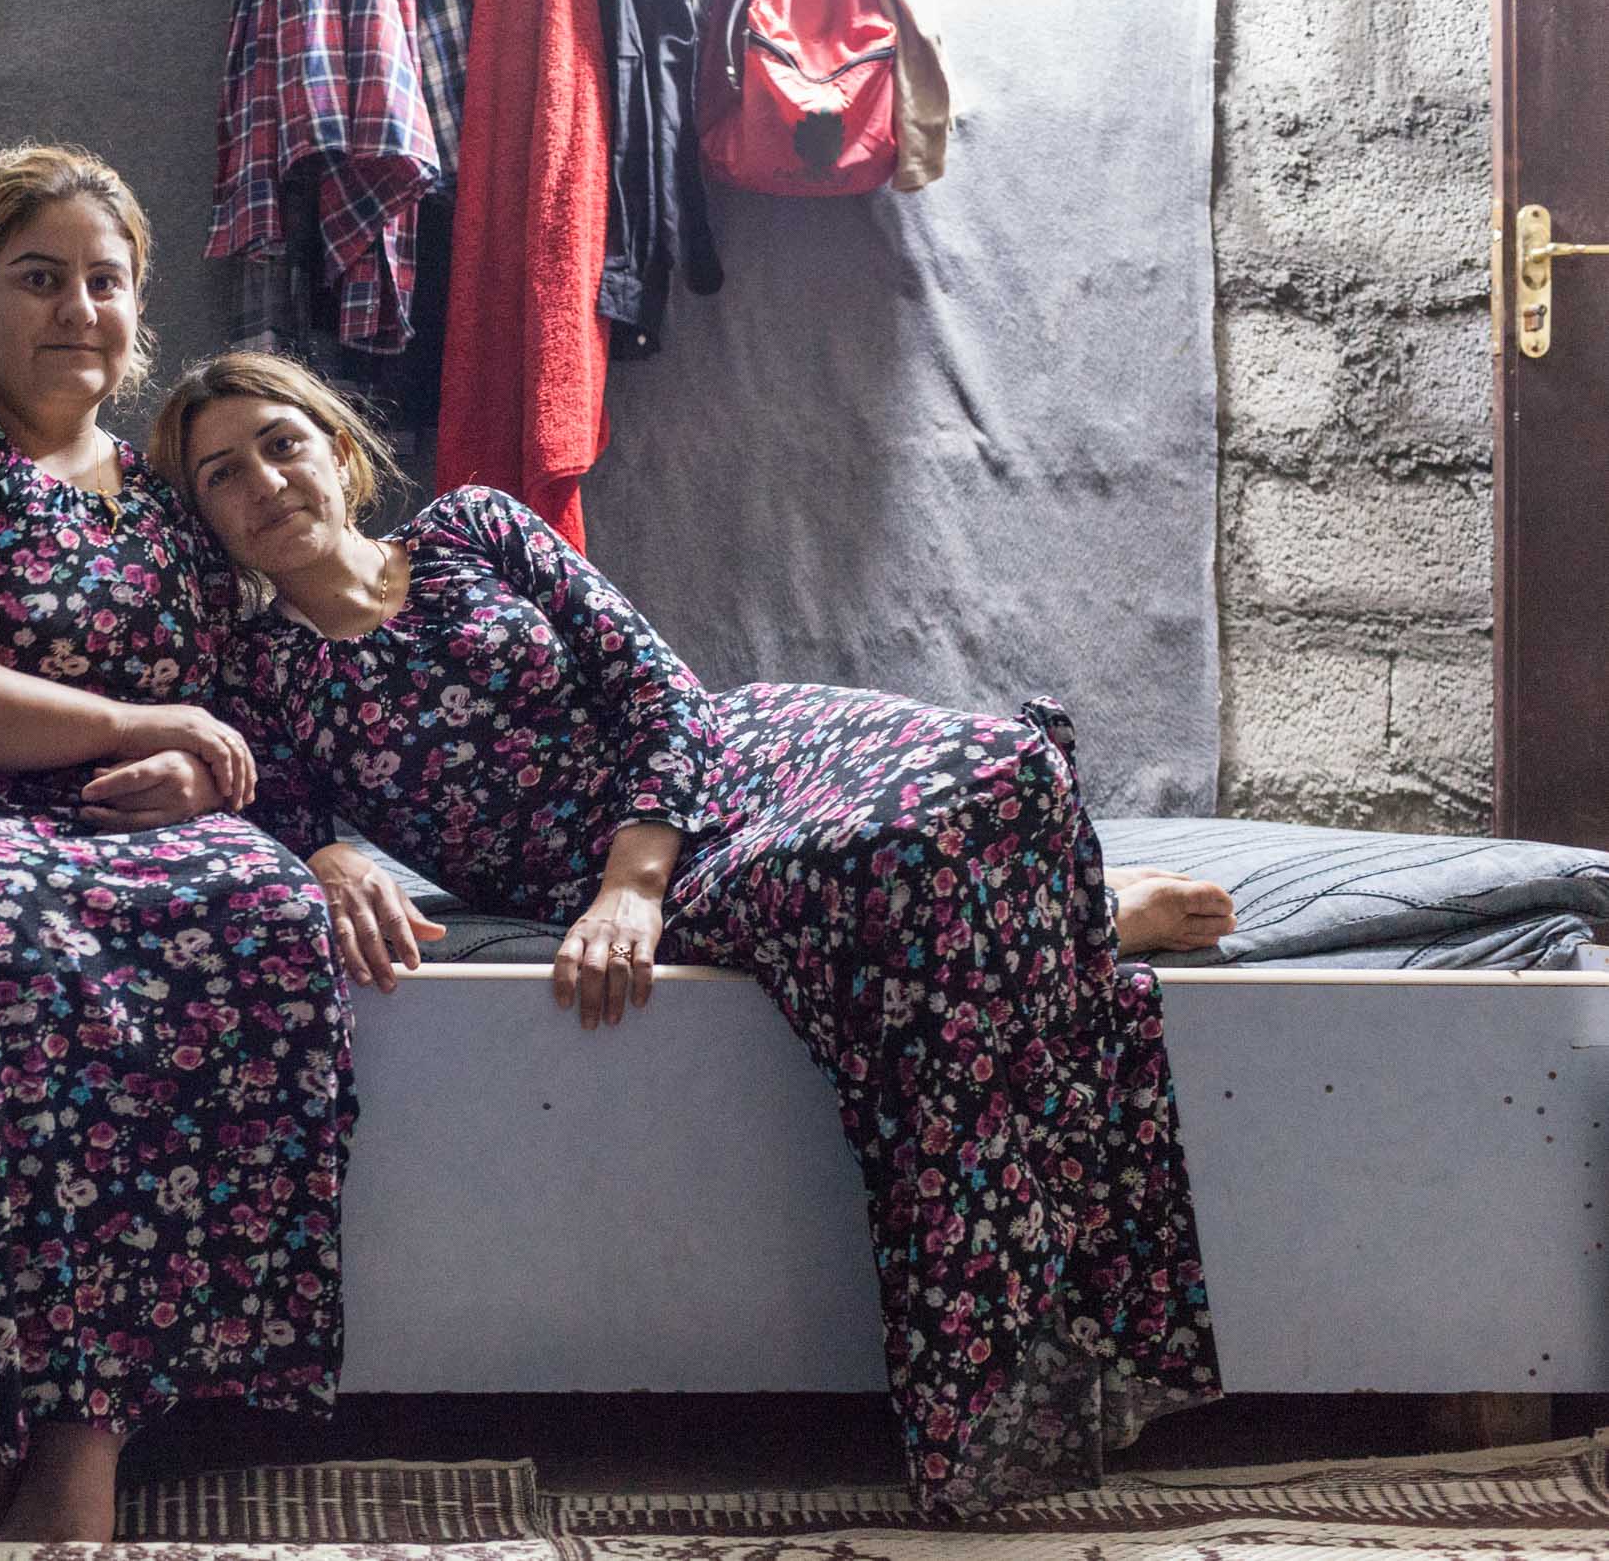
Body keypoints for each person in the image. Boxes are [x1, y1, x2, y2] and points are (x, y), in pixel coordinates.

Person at [148, 349, 1225, 1517]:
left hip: (725, 760)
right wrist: (327, 851)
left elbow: (658, 688)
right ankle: (1077, 915)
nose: (262, 480)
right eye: (220, 475)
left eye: (279, 443)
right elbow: (263, 803)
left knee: (995, 763)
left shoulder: (475, 529)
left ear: (337, 452)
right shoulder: (254, 676)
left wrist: (630, 887)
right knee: (894, 857)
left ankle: (1068, 909)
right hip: (695, 869)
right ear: (205, 518)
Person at [0, 146, 353, 1544]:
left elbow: (230, 708)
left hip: (125, 829)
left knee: (267, 914)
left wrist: (208, 781)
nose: (76, 308)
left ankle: (38, 1401)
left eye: (106, 280)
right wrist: (119, 719)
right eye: (39, 277)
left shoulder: (167, 503)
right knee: (7, 938)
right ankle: (67, 1443)